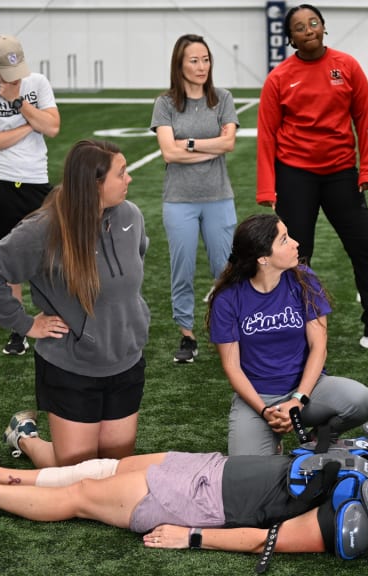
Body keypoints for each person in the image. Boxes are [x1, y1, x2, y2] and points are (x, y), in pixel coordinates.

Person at [0, 424, 368, 561]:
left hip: (196, 501)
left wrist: (192, 535)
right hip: (210, 470)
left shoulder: (354, 516)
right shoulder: (362, 477)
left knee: (80, 494)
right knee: (105, 468)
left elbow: (268, 540)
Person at [0, 140, 150, 468]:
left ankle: (29, 435)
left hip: (125, 360)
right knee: (78, 475)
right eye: (121, 173)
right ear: (94, 185)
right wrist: (25, 324)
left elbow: (137, 257)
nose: (129, 179)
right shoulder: (44, 229)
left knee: (114, 471)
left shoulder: (131, 216)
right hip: (72, 367)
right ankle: (25, 436)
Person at [256, 4, 368, 353]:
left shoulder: (347, 66)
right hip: (295, 175)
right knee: (296, 255)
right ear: (290, 38)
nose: (308, 30)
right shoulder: (280, 78)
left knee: (365, 248)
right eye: (299, 27)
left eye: (314, 23)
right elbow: (267, 135)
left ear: (324, 27)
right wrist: (267, 188)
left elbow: (365, 121)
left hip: (341, 172)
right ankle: (292, 326)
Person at [206, 214, 368, 456]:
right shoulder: (228, 299)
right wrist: (265, 411)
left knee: (362, 401)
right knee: (245, 470)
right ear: (263, 258)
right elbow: (232, 367)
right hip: (258, 399)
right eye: (284, 240)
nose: (296, 243)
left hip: (307, 390)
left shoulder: (304, 279)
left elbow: (319, 347)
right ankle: (273, 439)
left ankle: (322, 433)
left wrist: (298, 400)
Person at [0, 34, 61, 356]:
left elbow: (53, 128)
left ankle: (56, 317)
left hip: (35, 182)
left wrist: (20, 103)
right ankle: (18, 328)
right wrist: (29, 125)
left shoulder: (37, 83)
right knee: (3, 261)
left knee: (49, 256)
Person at [150, 34, 239, 364]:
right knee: (182, 269)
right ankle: (187, 335)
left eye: (206, 59)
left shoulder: (223, 98)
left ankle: (227, 331)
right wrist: (208, 144)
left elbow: (228, 144)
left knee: (226, 270)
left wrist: (188, 144)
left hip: (218, 197)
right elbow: (167, 152)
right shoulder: (166, 104)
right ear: (179, 64)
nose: (202, 66)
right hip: (179, 201)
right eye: (194, 60)